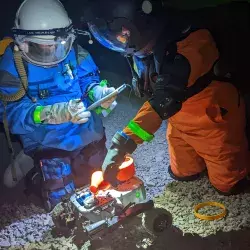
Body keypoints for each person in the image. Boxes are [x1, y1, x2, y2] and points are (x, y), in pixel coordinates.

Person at [83, 0, 250, 195]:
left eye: (123, 36)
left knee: (227, 182)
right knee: (183, 172)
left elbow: (163, 101)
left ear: (141, 22)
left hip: (212, 120)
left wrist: (122, 145)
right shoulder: (147, 45)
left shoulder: (190, 45)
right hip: (178, 121)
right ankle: (194, 165)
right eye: (116, 39)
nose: (121, 42)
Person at [0, 0, 117, 210]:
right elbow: (10, 114)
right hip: (46, 140)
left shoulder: (74, 51)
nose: (51, 53)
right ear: (22, 42)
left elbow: (87, 80)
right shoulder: (12, 66)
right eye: (41, 47)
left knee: (99, 179)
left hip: (83, 130)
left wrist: (98, 92)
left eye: (57, 45)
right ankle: (33, 163)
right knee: (61, 201)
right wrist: (48, 114)